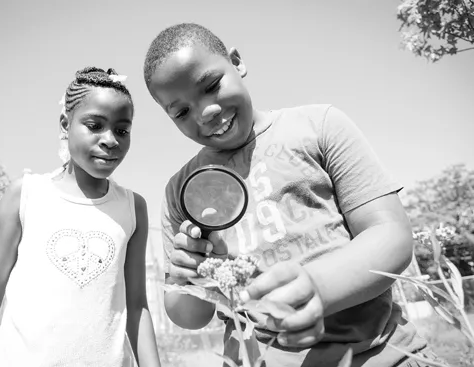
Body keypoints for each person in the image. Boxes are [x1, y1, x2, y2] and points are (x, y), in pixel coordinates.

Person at [143, 23, 445, 367]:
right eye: (181, 112)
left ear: (237, 62)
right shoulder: (180, 190)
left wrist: (317, 287)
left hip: (380, 355)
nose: (206, 111)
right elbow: (188, 315)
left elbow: (390, 235)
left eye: (211, 86)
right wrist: (192, 276)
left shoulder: (319, 127)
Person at [0, 67, 161, 367]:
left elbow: (137, 307)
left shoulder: (133, 207)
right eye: (95, 125)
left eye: (122, 130)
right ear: (65, 124)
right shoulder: (26, 196)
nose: (110, 139)